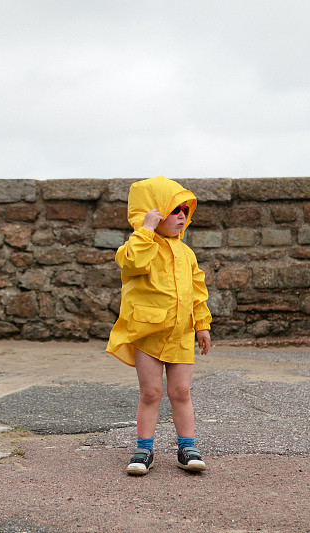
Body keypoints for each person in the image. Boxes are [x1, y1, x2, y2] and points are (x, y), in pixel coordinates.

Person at [106, 176, 212, 476]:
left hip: (181, 333)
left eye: (185, 210)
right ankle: (144, 448)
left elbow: (197, 290)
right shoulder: (139, 246)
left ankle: (187, 446)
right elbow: (131, 264)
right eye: (174, 209)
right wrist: (146, 230)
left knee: (181, 391)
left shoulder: (186, 253)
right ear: (154, 212)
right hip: (148, 334)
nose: (182, 216)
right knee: (151, 392)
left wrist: (202, 325)